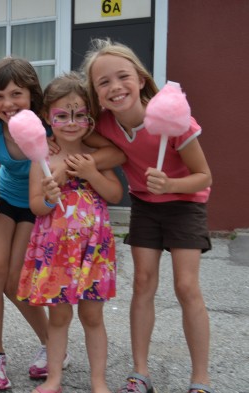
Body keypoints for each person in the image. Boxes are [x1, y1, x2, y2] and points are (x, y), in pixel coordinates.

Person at [0, 57, 125, 391]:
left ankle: (51, 347)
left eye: (16, 94)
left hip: (50, 218)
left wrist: (72, 168)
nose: (7, 103)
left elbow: (117, 156)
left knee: (17, 283)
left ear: (34, 97)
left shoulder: (53, 128)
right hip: (12, 204)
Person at [81, 38, 213, 393]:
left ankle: (200, 379)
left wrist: (170, 182)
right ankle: (140, 373)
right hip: (144, 205)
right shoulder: (105, 126)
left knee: (186, 287)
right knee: (142, 283)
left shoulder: (175, 122)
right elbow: (84, 141)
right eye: (103, 82)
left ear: (140, 79)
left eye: (122, 76)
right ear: (96, 93)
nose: (115, 87)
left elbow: (205, 176)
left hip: (185, 202)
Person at [17, 72, 123, 393]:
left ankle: (98, 381)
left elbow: (115, 195)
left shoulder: (95, 153)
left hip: (94, 250)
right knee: (59, 318)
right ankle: (54, 379)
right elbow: (36, 206)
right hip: (56, 252)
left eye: (80, 114)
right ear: (48, 118)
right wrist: (49, 197)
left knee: (93, 317)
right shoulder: (42, 159)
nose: (72, 122)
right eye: (62, 115)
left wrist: (91, 171)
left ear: (91, 118)